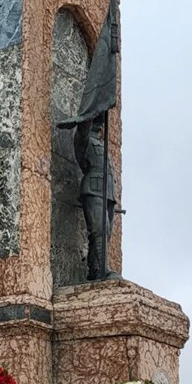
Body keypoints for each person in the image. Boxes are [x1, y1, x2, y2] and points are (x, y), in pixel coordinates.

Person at [74, 114, 118, 281]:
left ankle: (95, 269)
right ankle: (103, 271)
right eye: (97, 121)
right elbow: (83, 129)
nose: (100, 125)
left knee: (104, 232)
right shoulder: (83, 140)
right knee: (99, 228)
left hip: (107, 192)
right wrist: (91, 112)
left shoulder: (102, 145)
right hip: (93, 189)